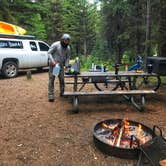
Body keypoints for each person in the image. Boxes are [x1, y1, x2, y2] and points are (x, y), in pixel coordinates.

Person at [48, 33, 71, 102]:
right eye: (65, 40)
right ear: (62, 40)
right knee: (52, 79)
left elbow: (68, 57)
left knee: (62, 79)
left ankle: (62, 92)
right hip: (54, 65)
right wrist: (53, 62)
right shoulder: (56, 45)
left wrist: (66, 65)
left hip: (60, 66)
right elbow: (49, 53)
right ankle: (51, 95)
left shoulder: (68, 48)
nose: (66, 42)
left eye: (68, 41)